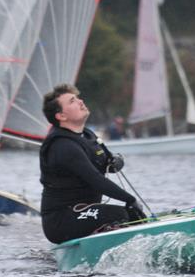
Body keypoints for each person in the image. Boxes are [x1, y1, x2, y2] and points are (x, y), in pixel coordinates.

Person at [39, 84, 147, 244]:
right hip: (61, 221)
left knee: (131, 214)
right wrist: (131, 200)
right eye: (72, 101)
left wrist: (117, 161)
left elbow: (109, 163)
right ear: (61, 116)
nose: (80, 102)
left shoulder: (87, 135)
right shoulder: (62, 146)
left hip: (85, 212)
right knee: (122, 214)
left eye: (78, 98)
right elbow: (96, 180)